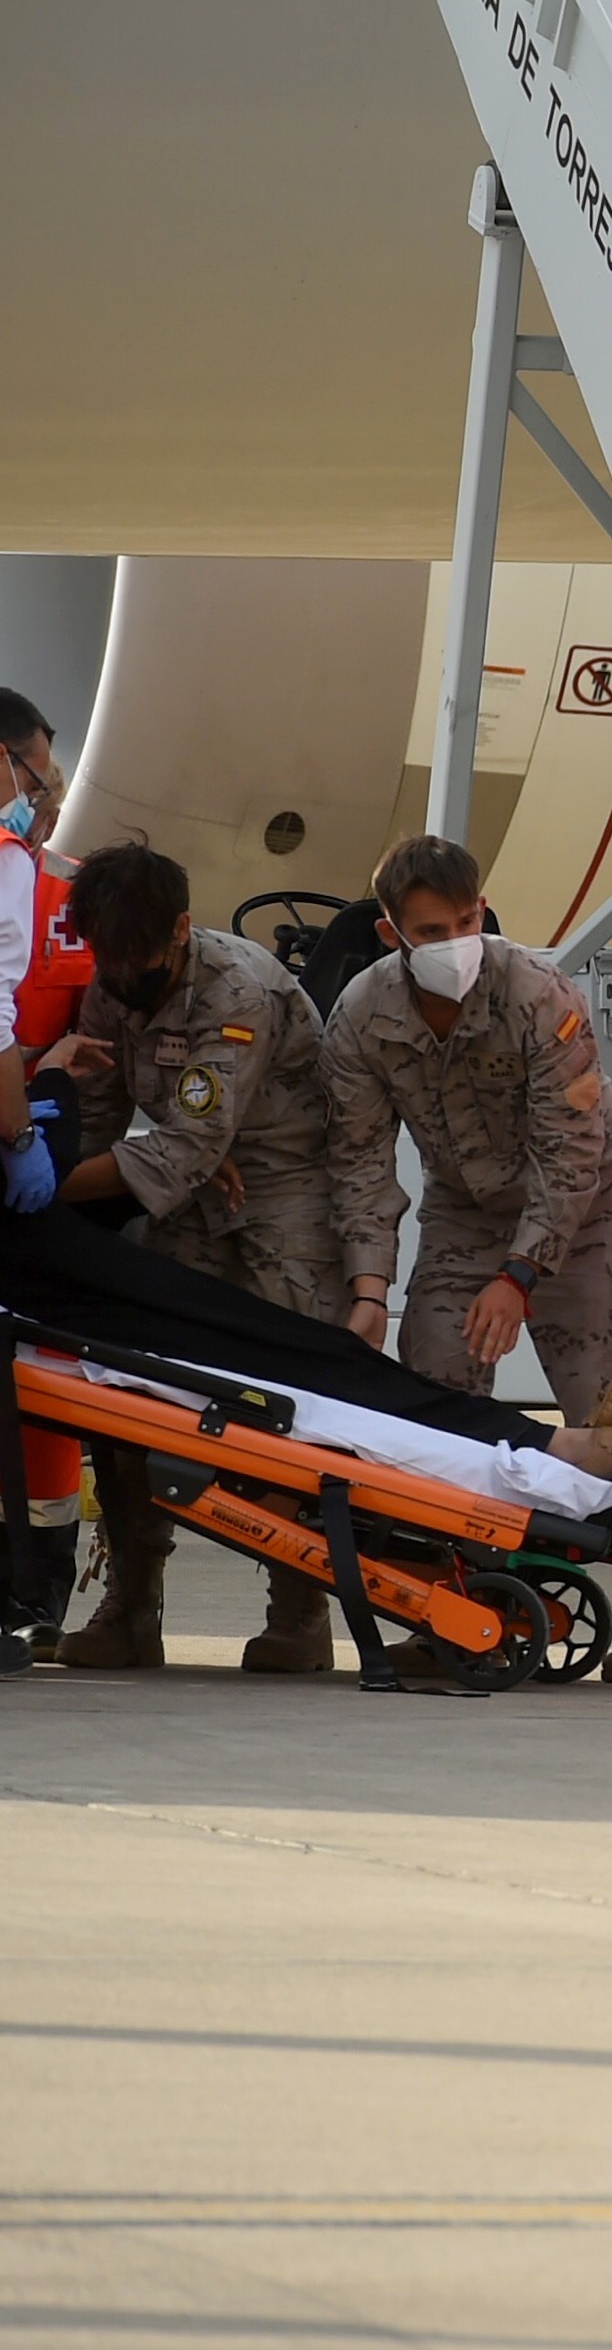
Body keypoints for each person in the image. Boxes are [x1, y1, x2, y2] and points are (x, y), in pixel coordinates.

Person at [323, 834, 612, 1682]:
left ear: (482, 911)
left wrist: (520, 1275)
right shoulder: (362, 1016)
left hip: (588, 1206)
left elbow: (572, 1149)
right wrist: (371, 1290)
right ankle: (453, 1600)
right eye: (430, 929)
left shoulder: (538, 992)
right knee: (433, 1402)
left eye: (466, 920)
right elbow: (359, 1163)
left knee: (611, 1416)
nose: (455, 940)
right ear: (391, 936)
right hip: (464, 1214)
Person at [37, 841, 347, 1670]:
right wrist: (59, 1178)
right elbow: (101, 1121)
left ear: (178, 931)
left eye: (135, 955)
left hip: (283, 1193)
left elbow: (186, 1148)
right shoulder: (112, 982)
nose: (119, 974)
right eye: (107, 956)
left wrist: (31, 1190)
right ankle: (130, 1608)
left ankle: (299, 1613)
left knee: (288, 1400)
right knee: (131, 1388)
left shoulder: (235, 989)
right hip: (188, 1190)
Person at [0, 689, 90, 1661]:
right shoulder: (15, 877)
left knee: (45, 1376)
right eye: (37, 781)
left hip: (37, 1152)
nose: (48, 803)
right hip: (22, 1134)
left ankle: (36, 1587)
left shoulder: (58, 895)